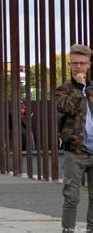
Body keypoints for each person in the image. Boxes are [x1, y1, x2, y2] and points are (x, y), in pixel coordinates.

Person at [56, 44, 93, 231]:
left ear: (88, 65)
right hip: (75, 151)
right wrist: (79, 87)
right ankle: (68, 229)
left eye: (82, 63)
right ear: (69, 65)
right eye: (75, 63)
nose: (78, 67)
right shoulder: (64, 89)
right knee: (71, 196)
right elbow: (67, 108)